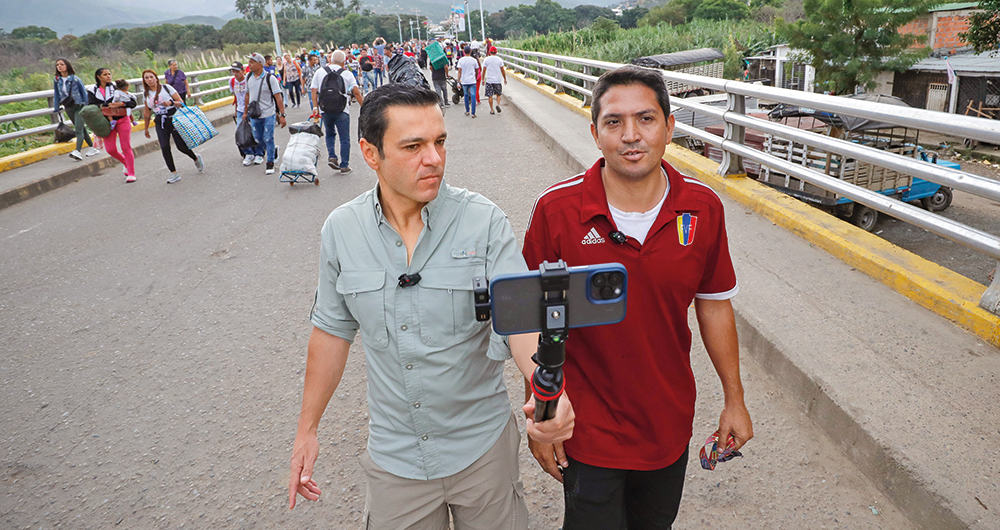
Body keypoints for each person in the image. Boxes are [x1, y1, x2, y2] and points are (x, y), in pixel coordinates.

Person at [287, 82, 574, 529]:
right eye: (413, 146)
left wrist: (546, 385)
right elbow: (331, 332)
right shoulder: (341, 231)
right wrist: (307, 429)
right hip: (395, 458)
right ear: (370, 153)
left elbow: (519, 321)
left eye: (440, 142)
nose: (434, 159)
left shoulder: (483, 222)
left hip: (482, 450)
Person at [521, 65, 754, 529]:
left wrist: (734, 399)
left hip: (666, 423)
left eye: (646, 119)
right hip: (586, 427)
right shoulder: (557, 210)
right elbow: (531, 320)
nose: (631, 135)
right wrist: (542, 414)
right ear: (595, 133)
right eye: (614, 122)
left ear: (669, 127)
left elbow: (713, 303)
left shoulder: (702, 208)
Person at [141, 69, 204, 184]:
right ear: (144, 81)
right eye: (146, 78)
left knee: (181, 146)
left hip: (173, 118)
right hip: (160, 121)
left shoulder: (166, 89)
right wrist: (146, 128)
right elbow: (147, 112)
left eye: (151, 77)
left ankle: (195, 158)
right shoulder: (146, 94)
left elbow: (181, 102)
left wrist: (171, 103)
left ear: (156, 78)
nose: (149, 80)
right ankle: (173, 173)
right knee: (164, 147)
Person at [310, 50, 363, 174]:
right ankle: (344, 165)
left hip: (325, 109)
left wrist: (315, 107)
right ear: (344, 62)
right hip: (342, 109)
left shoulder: (320, 72)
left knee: (330, 134)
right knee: (344, 138)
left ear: (330, 59)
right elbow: (356, 92)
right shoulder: (347, 74)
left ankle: (332, 156)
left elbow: (314, 90)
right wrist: (364, 106)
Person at [90, 68, 138, 182]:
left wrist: (121, 104)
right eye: (105, 74)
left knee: (126, 146)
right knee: (110, 149)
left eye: (109, 74)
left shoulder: (116, 88)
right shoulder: (92, 90)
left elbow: (132, 103)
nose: (108, 76)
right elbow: (91, 105)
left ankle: (131, 173)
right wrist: (105, 106)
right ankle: (126, 163)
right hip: (106, 122)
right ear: (98, 76)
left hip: (123, 119)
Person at [244, 53, 287, 175]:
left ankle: (270, 162)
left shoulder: (270, 78)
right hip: (254, 114)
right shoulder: (248, 77)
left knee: (268, 138)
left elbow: (278, 97)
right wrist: (245, 112)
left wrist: (282, 115)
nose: (249, 65)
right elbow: (247, 95)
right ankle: (274, 150)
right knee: (258, 138)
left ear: (260, 64)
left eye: (252, 62)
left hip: (268, 113)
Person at [53, 58, 98, 161]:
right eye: (57, 65)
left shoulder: (75, 79)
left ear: (67, 66)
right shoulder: (57, 80)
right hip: (68, 106)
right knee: (81, 128)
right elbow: (56, 93)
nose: (59, 66)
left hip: (79, 106)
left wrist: (87, 107)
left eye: (62, 64)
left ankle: (77, 151)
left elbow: (83, 93)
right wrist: (56, 107)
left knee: (78, 129)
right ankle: (92, 148)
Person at [229, 61, 254, 166]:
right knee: (241, 133)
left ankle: (259, 153)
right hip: (240, 110)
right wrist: (236, 110)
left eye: (237, 71)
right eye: (233, 71)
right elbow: (236, 96)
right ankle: (248, 153)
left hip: (252, 110)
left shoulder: (249, 80)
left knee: (255, 133)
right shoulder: (232, 81)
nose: (235, 73)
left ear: (243, 71)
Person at [482, 47, 506, 115]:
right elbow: (502, 70)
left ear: (489, 52)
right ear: (496, 52)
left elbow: (484, 70)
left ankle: (492, 110)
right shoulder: (499, 60)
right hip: (497, 80)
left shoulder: (486, 59)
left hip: (489, 80)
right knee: (498, 94)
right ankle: (498, 104)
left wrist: (483, 79)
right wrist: (505, 79)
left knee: (490, 95)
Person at [456, 46, 479, 118]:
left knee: (465, 95)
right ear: (470, 51)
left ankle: (467, 110)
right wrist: (475, 77)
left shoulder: (461, 60)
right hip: (472, 80)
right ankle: (473, 113)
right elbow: (477, 70)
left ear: (464, 52)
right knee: (473, 96)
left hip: (464, 81)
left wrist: (458, 80)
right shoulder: (474, 60)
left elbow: (459, 71)